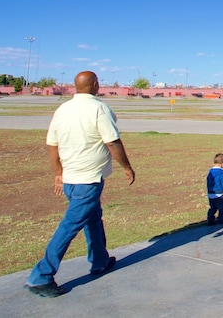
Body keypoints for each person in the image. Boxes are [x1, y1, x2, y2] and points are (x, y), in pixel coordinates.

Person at [24, 71, 136, 298]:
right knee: (70, 225)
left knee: (93, 218)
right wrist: (127, 166)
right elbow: (112, 141)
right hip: (88, 181)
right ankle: (41, 276)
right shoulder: (99, 108)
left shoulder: (62, 109)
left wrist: (58, 173)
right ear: (95, 85)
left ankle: (99, 260)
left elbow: (52, 144)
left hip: (71, 179)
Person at [207, 153, 223, 224]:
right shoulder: (221, 172)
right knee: (222, 207)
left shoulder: (210, 172)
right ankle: (222, 220)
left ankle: (210, 219)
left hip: (211, 193)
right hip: (219, 192)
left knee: (212, 207)